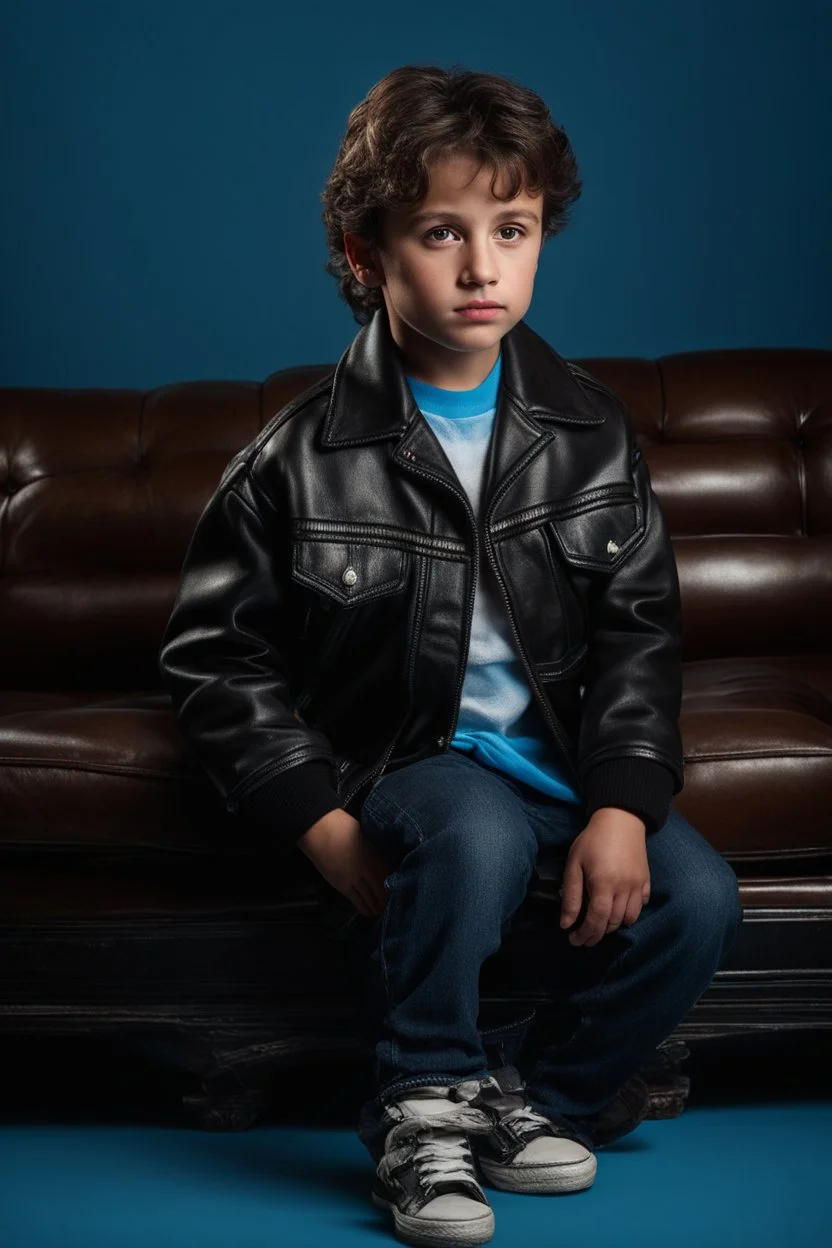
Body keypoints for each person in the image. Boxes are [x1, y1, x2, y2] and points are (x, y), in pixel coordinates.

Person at [159, 63, 744, 1248]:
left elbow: (639, 630)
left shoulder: (587, 431)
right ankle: (418, 1103)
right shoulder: (301, 453)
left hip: (561, 764)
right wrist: (321, 822)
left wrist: (627, 801)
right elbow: (216, 659)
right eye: (441, 232)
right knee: (468, 832)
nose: (483, 268)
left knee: (699, 900)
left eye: (511, 230)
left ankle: (530, 1103)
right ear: (365, 253)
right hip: (406, 759)